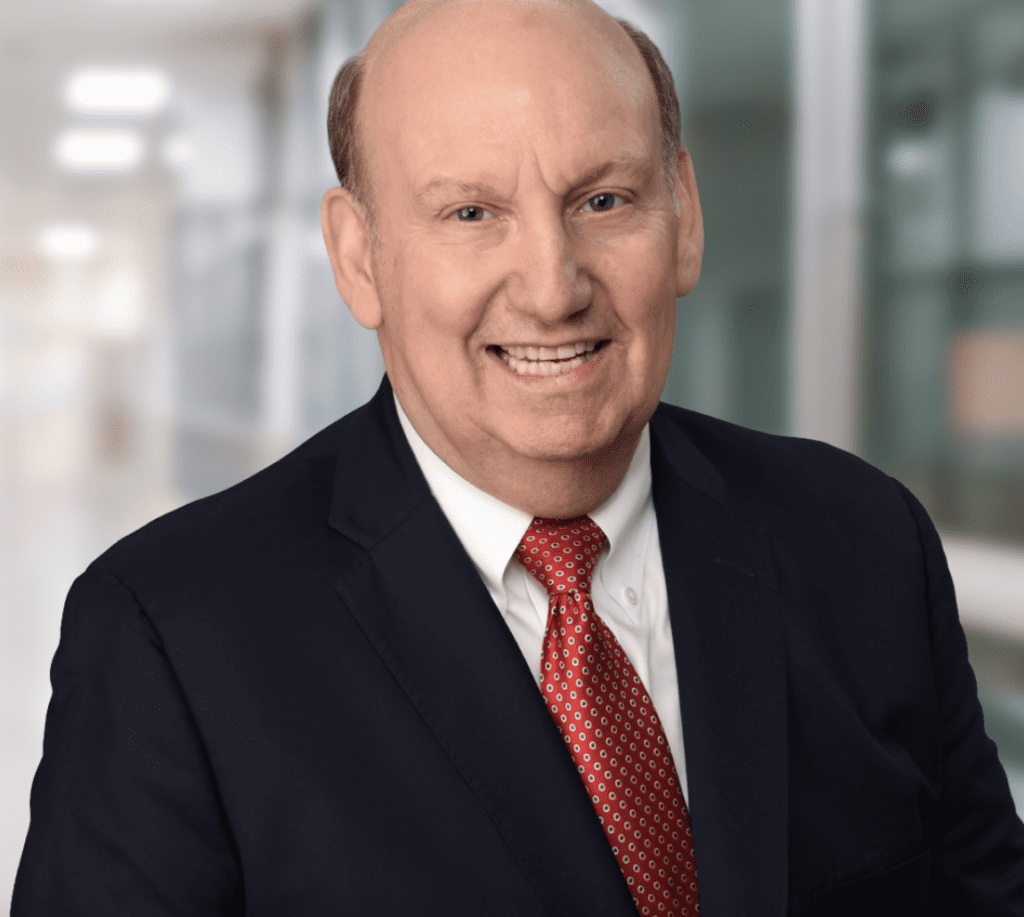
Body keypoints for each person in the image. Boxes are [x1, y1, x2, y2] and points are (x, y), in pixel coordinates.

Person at [12, 0, 1024, 913]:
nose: (551, 287)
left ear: (683, 216)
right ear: (358, 256)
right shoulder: (171, 635)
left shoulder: (860, 540)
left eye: (603, 201)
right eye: (470, 213)